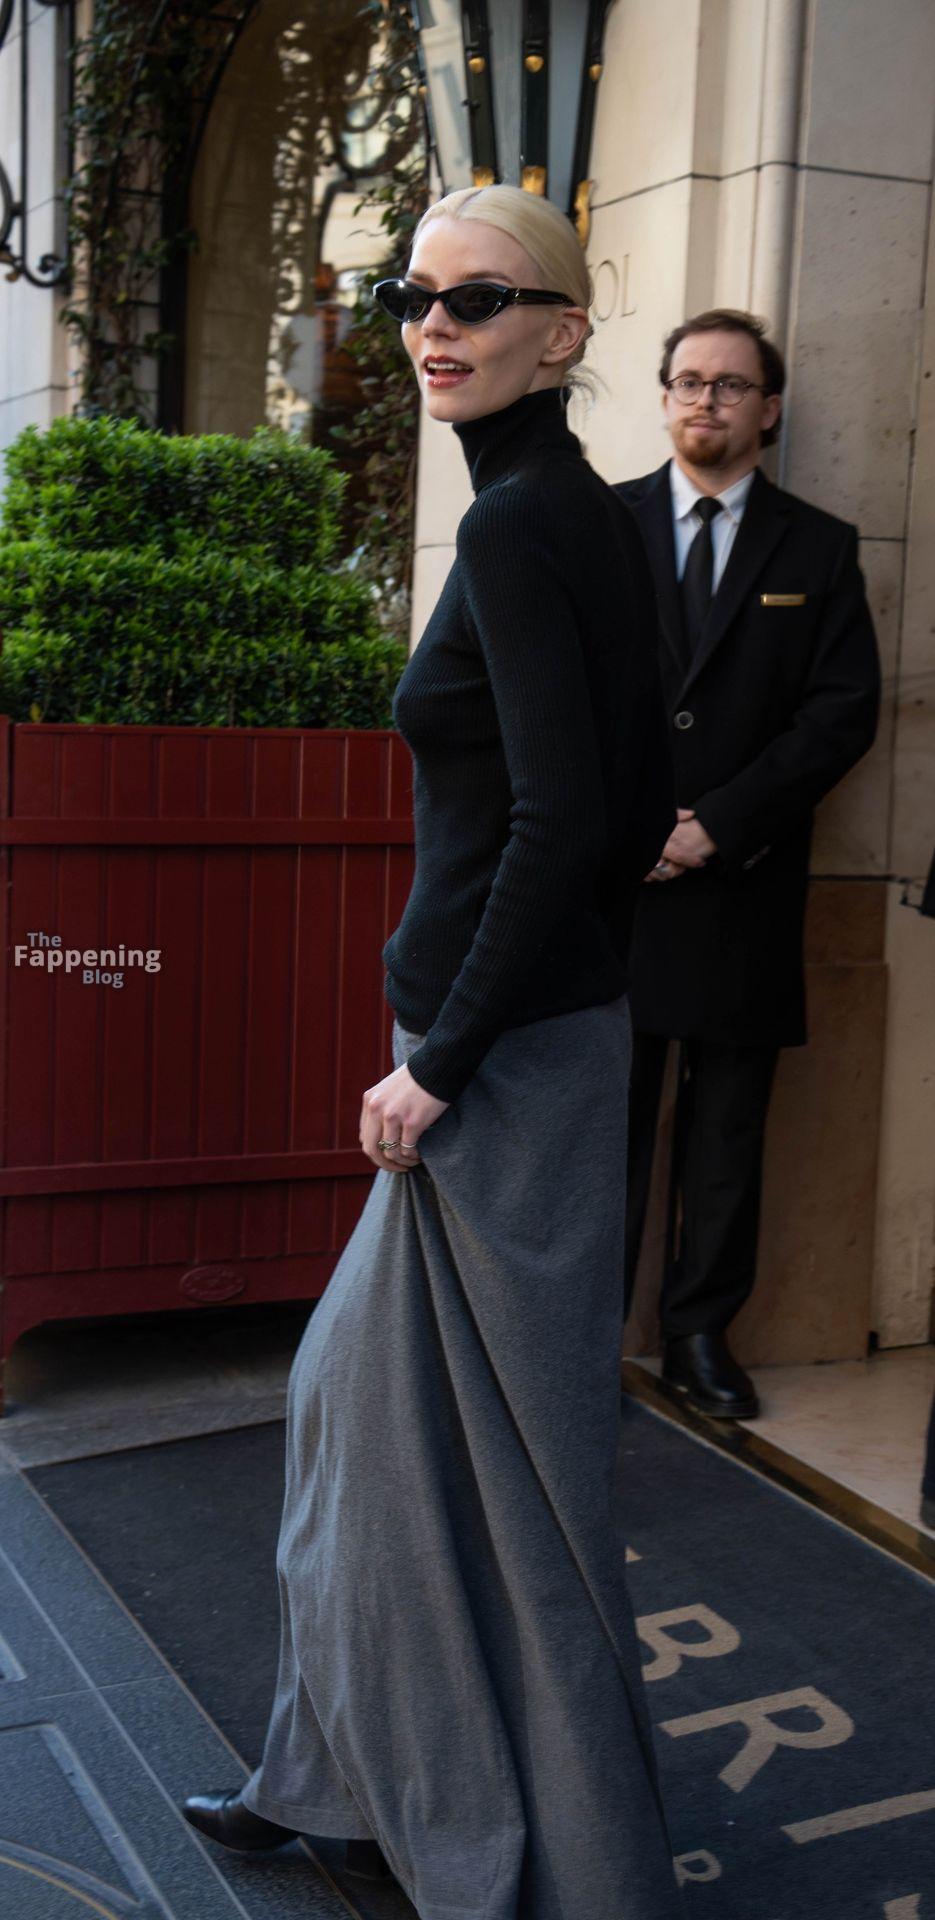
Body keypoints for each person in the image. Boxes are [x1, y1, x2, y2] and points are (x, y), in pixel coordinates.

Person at [182, 184, 683, 1920]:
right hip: (523, 1041)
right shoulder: (571, 511)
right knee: (367, 1444)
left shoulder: (528, 526)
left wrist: (441, 1062)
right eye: (413, 294)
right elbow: (621, 802)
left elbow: (561, 821)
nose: (432, 325)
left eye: (478, 297)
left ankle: (580, 1870)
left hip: (503, 1069)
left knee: (515, 1499)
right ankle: (339, 1783)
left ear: (564, 329)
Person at [616, 309, 881, 1421]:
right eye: (687, 380)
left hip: (742, 883)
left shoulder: (817, 546)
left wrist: (716, 824)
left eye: (729, 385)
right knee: (600, 1129)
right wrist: (632, 824)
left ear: (766, 409)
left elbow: (840, 713)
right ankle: (578, 1336)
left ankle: (696, 1336)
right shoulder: (603, 526)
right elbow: (559, 693)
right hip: (616, 890)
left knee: (726, 1132)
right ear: (663, 396)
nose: (705, 400)